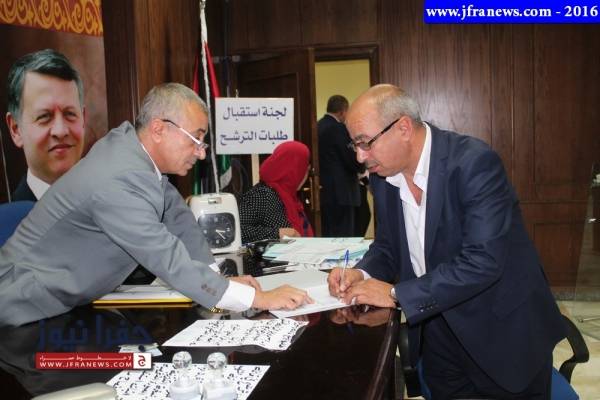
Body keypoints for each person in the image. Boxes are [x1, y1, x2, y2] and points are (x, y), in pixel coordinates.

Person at [0, 83, 311, 327]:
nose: (201, 153)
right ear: (159, 129)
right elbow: (167, 256)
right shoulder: (119, 178)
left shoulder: (137, 158)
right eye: (196, 139)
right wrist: (258, 298)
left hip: (63, 302)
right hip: (23, 307)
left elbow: (179, 219)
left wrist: (218, 279)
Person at [328, 84, 566, 399]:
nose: (361, 157)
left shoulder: (473, 163)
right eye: (355, 146)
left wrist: (396, 294)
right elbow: (388, 247)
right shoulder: (383, 177)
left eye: (365, 143)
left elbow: (483, 261)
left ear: (403, 128)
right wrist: (361, 273)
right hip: (438, 331)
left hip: (502, 332)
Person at [5, 49, 85, 201]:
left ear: (83, 119)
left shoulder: (113, 204)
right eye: (44, 116)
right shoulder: (11, 216)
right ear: (16, 130)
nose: (60, 131)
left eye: (69, 114)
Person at [239, 140, 314, 243]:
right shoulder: (263, 195)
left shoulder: (290, 197)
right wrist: (277, 233)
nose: (306, 174)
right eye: (303, 168)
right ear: (291, 169)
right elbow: (235, 231)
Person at [318, 95, 364, 237]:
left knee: (328, 234)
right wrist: (361, 166)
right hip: (342, 193)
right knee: (344, 236)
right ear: (343, 111)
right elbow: (350, 158)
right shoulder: (338, 128)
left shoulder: (317, 126)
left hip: (323, 192)